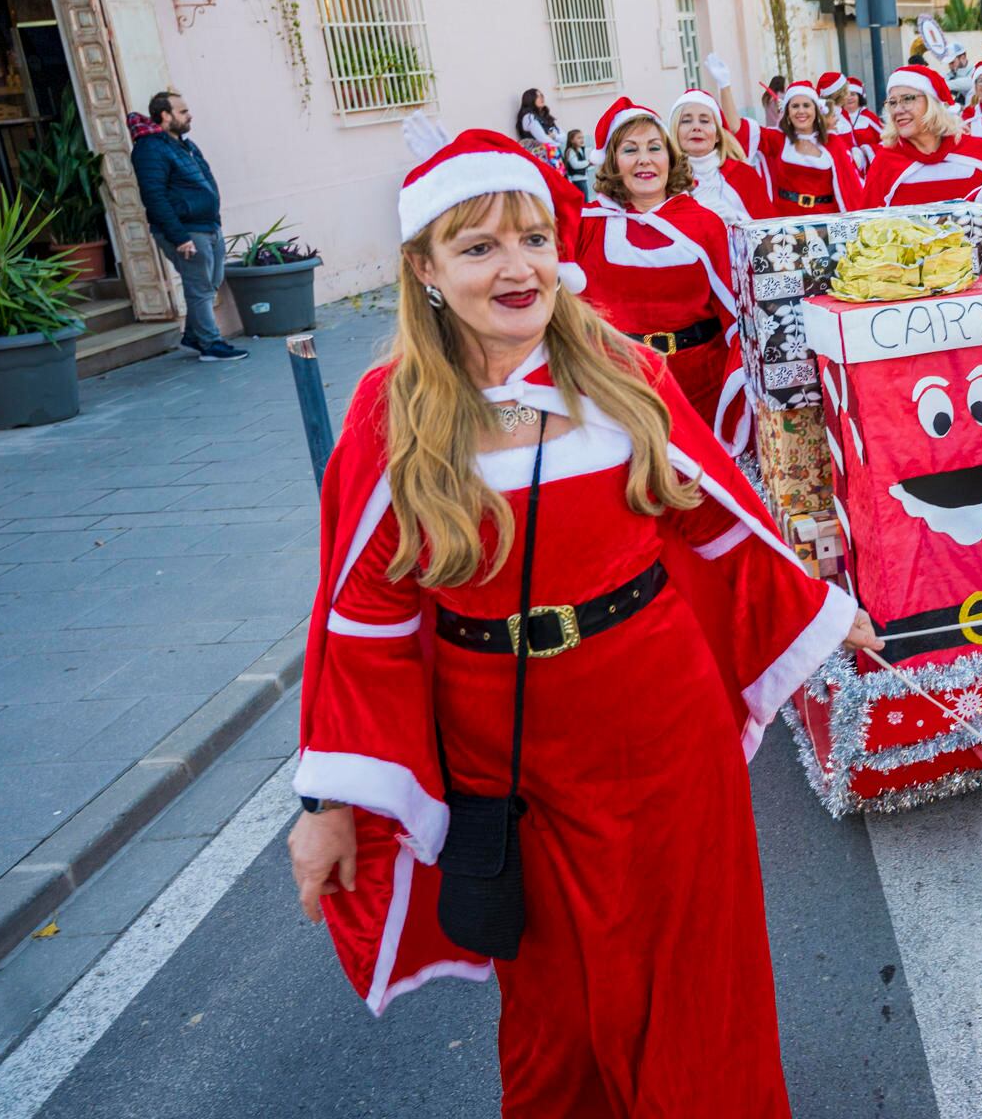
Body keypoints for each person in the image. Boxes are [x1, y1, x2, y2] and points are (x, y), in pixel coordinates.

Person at [287, 126, 880, 1113]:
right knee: (555, 1009)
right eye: (479, 247)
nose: (517, 267)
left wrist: (821, 610)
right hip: (508, 752)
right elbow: (363, 621)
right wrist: (332, 801)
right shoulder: (391, 415)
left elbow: (717, 521)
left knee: (695, 972)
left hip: (663, 717)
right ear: (425, 270)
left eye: (533, 238)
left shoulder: (612, 369)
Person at [574, 99, 744, 448]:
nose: (645, 159)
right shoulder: (586, 225)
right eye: (630, 149)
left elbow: (737, 314)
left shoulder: (704, 224)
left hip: (701, 388)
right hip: (620, 387)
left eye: (654, 148)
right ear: (611, 161)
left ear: (669, 157)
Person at [131, 91, 247, 362]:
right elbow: (154, 197)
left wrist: (215, 221)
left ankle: (194, 336)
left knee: (212, 282)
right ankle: (210, 344)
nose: (189, 115)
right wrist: (180, 237)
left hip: (207, 226)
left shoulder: (184, 144)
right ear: (165, 115)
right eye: (182, 111)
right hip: (186, 230)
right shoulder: (150, 148)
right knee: (200, 287)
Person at [860, 65, 982, 206]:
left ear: (933, 104)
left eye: (908, 99)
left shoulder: (977, 152)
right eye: (892, 102)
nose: (898, 109)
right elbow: (867, 230)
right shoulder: (885, 162)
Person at [708, 56, 862, 216]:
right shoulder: (778, 139)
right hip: (788, 225)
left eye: (806, 105)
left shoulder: (832, 142)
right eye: (795, 106)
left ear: (816, 110)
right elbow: (736, 127)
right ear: (787, 112)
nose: (801, 111)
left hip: (826, 222)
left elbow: (850, 188)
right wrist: (724, 85)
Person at [668, 87, 770, 226]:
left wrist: (737, 222)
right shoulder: (665, 178)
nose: (696, 127)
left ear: (717, 135)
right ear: (675, 131)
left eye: (704, 121)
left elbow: (771, 234)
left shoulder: (744, 175)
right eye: (686, 121)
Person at [561, 128, 593, 199]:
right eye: (579, 138)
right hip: (577, 179)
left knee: (585, 198)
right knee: (584, 199)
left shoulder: (580, 149)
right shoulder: (571, 151)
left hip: (582, 178)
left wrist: (589, 164)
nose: (582, 139)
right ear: (572, 140)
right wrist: (588, 162)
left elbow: (582, 163)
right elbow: (575, 165)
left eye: (582, 137)